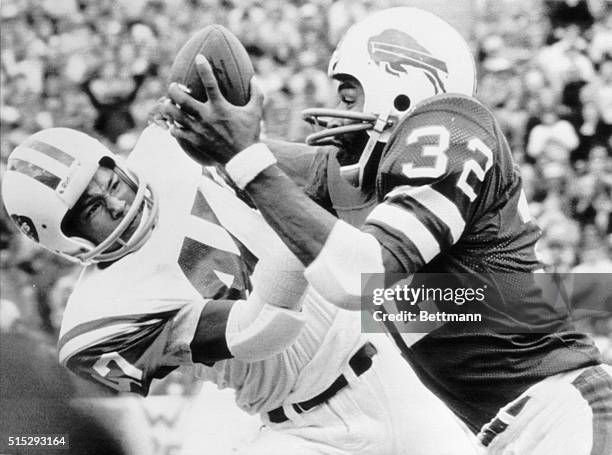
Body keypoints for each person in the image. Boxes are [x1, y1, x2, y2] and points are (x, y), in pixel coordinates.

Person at [160, 7, 612, 455]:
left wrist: (244, 159)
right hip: (517, 430)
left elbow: (360, 275)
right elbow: (312, 177)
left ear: (400, 84)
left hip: (561, 416)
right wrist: (217, 142)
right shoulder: (392, 183)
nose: (337, 112)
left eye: (349, 94)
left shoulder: (452, 126)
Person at [1, 124, 479, 455]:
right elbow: (261, 330)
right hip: (309, 430)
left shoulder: (168, 145)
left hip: (377, 338)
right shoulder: (98, 320)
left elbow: (327, 182)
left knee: (528, 321)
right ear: (62, 237)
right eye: (90, 209)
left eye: (109, 182)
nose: (113, 200)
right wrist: (298, 223)